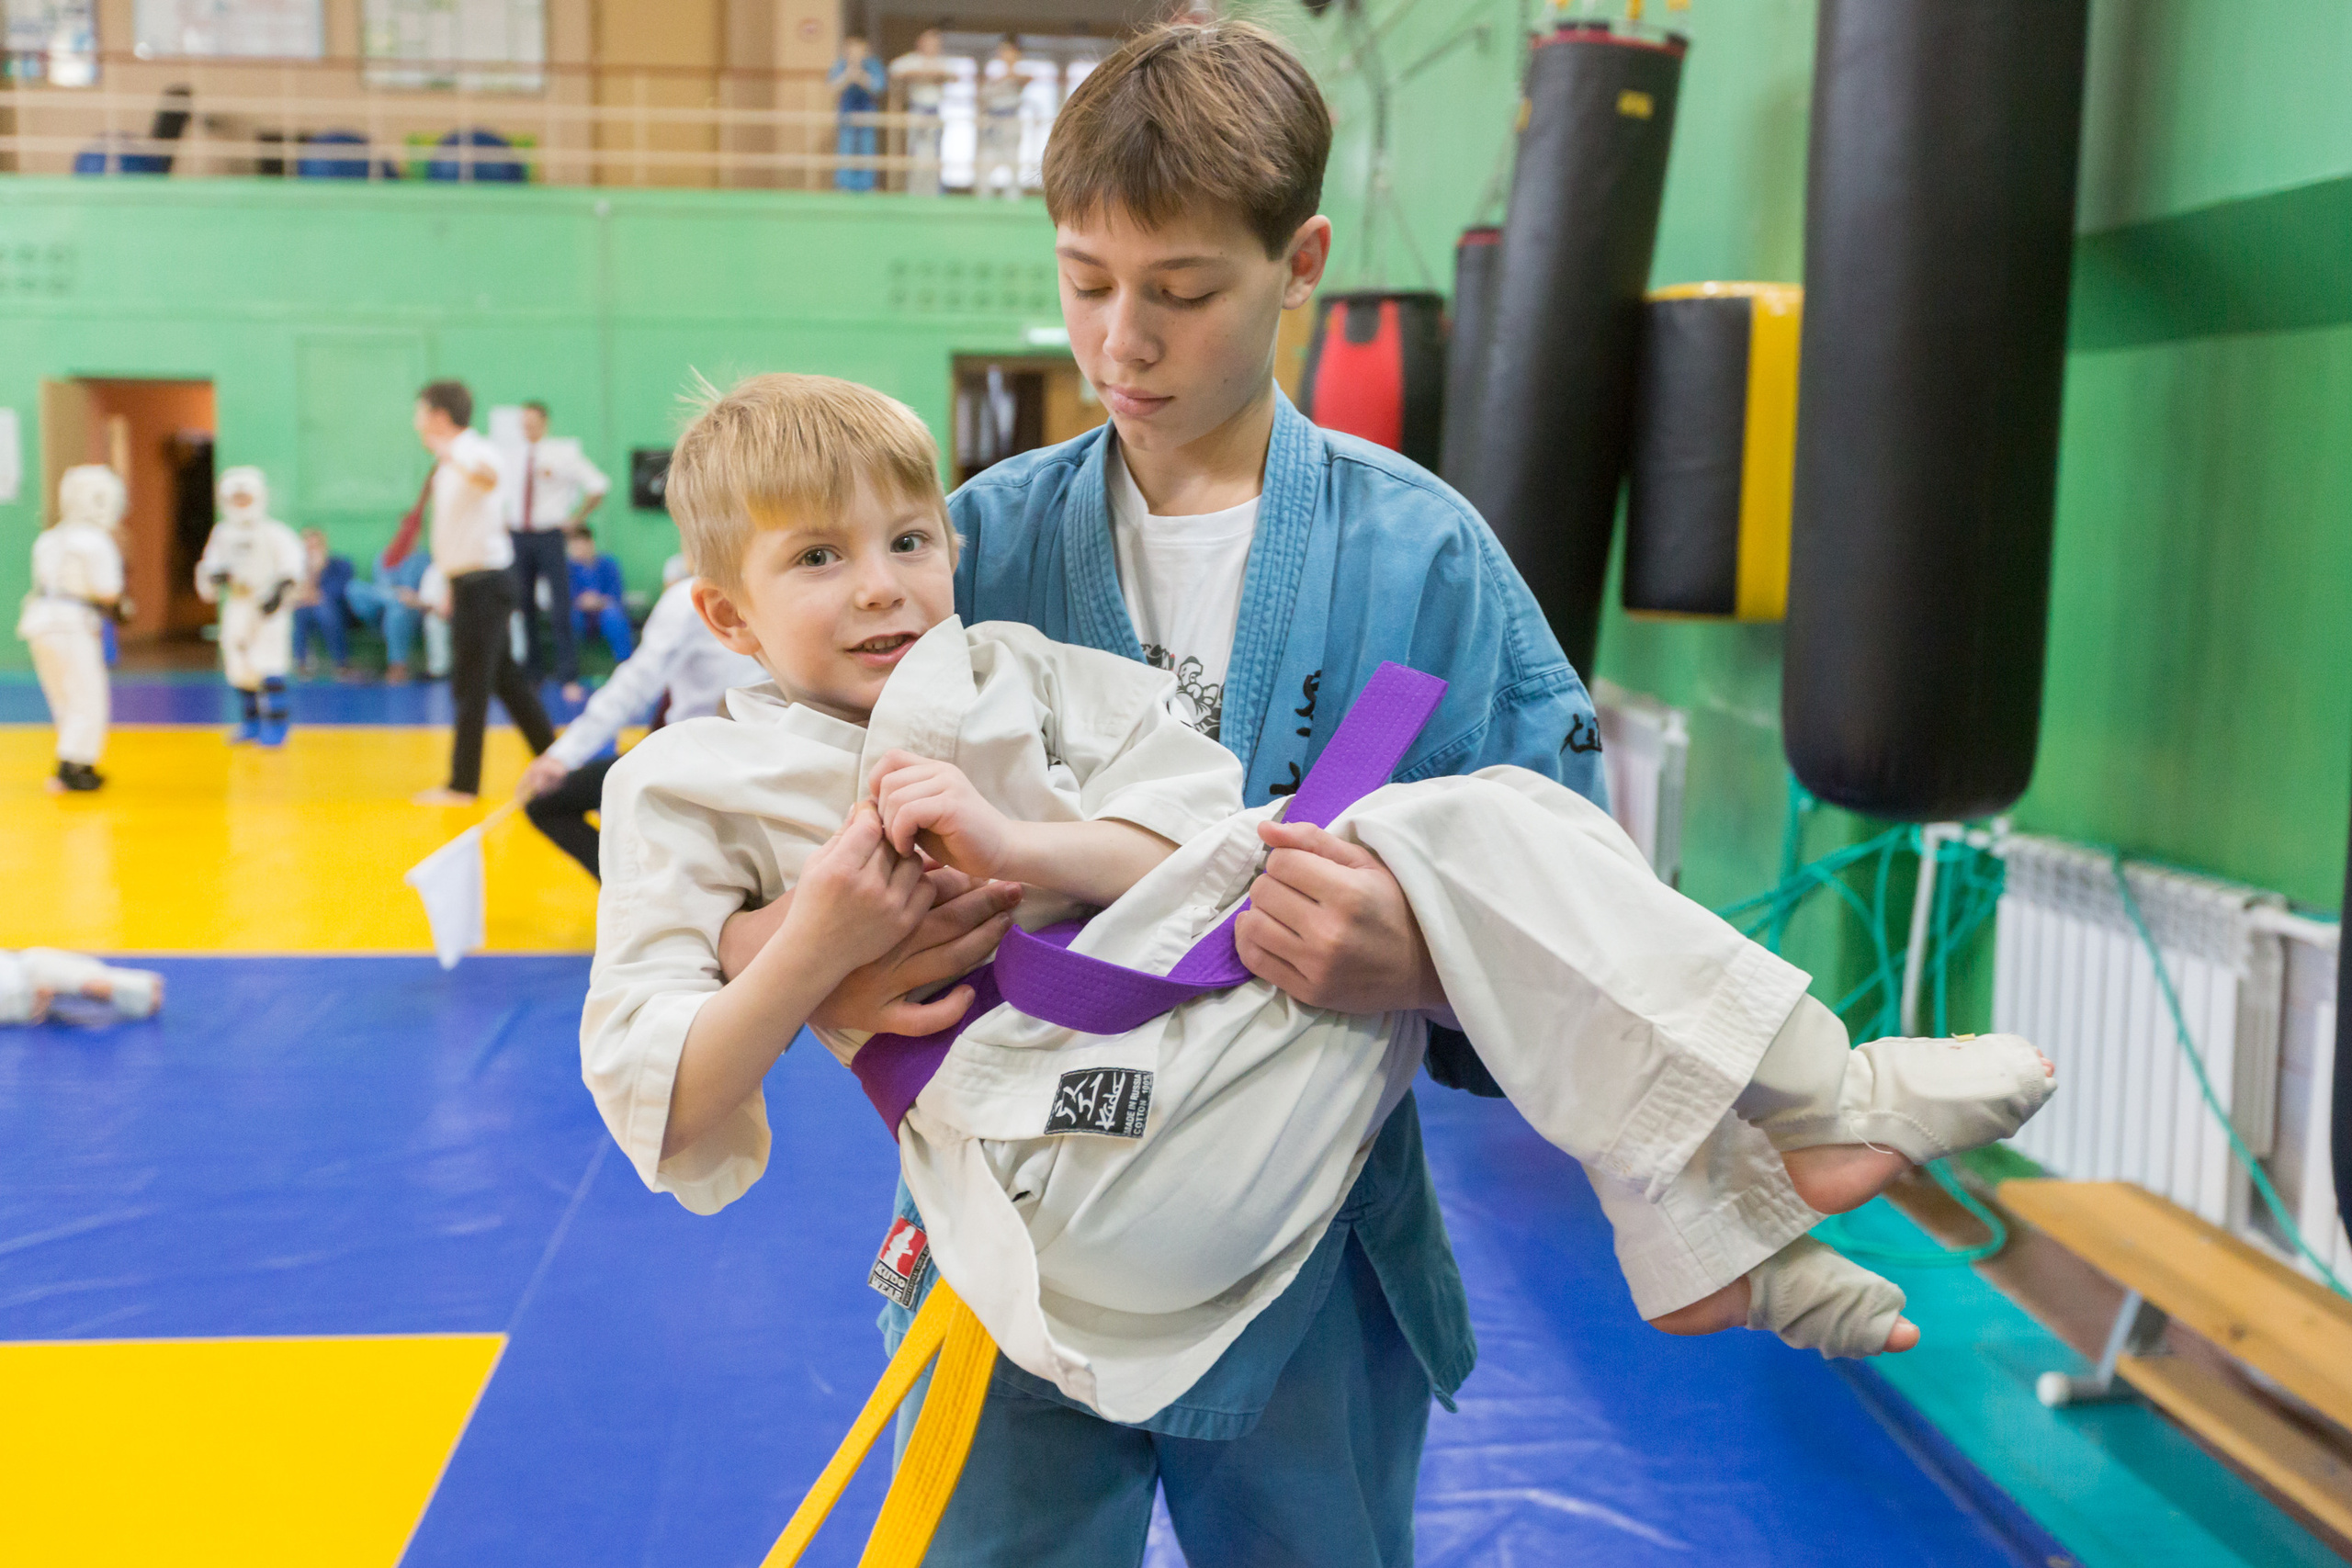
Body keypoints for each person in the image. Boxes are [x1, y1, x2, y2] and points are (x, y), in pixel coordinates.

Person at [708, 26, 1925, 1561]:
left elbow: (1576, 897)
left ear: (1304, 263)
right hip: (1013, 1232)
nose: (1121, 343)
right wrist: (824, 953)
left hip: (1311, 1255)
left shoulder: (1424, 563)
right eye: (1087, 281)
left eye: (1186, 291)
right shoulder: (965, 552)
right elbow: (742, 859)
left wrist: (1418, 954)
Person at [580, 374, 2052, 1424]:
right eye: (820, 559)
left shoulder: (1016, 673)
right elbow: (672, 1102)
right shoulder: (688, 786)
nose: (883, 587)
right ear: (722, 612)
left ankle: (1727, 1214)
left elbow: (1185, 836)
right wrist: (817, 944)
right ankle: (1793, 1124)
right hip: (1057, 1185)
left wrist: (1024, 849)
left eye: (910, 541)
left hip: (1211, 1086)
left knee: (1486, 833)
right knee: (1461, 834)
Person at [514, 568, 763, 879]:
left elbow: (637, 682)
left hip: (698, 760)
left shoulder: (693, 597)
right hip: (768, 757)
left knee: (548, 805)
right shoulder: (775, 589)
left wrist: (564, 755)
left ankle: (637, 895)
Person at [409, 379, 555, 807]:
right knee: (506, 680)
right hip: (471, 582)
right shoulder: (452, 459)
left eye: (420, 412)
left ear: (438, 415)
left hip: (486, 583)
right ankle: (556, 760)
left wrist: (451, 455)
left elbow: (490, 479)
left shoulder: (472, 450)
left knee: (471, 684)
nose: (416, 421)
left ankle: (462, 785)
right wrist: (451, 583)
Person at [17, 464, 128, 792]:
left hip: (39, 622)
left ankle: (74, 761)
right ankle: (72, 766)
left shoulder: (49, 538)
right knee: (88, 694)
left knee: (62, 695)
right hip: (73, 624)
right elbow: (107, 590)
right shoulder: (96, 541)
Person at [196, 466, 304, 749]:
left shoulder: (273, 532)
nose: (241, 504)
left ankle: (277, 725)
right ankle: (251, 721)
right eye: (236, 499)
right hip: (238, 605)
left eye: (246, 498)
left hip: (267, 605)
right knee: (240, 666)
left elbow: (292, 566)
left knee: (269, 663)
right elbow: (209, 568)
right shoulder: (222, 534)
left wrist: (279, 594)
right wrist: (215, 577)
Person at [509, 400, 610, 702]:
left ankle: (568, 676)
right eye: (522, 422)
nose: (527, 427)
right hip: (518, 535)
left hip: (550, 535)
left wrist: (576, 519)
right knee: (523, 606)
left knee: (560, 607)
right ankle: (532, 676)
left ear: (544, 422)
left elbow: (598, 485)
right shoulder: (512, 456)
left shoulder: (563, 454)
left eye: (532, 422)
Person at [344, 544, 448, 683]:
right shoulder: (384, 556)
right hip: (380, 609)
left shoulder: (424, 560)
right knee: (354, 587)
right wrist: (395, 594)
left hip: (410, 612)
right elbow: (379, 585)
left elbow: (427, 597)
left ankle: (397, 668)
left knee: (397, 610)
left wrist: (411, 598)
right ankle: (395, 597)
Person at [1, 947, 164, 1024]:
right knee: (91, 986)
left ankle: (140, 989)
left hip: (27, 974)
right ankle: (140, 990)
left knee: (91, 985)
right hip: (23, 999)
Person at [888, 25, 956, 197]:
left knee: (934, 154)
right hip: (917, 110)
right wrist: (920, 73)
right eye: (929, 42)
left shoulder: (943, 62)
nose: (932, 46)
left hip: (934, 111)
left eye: (936, 43)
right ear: (920, 43)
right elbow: (895, 70)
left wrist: (935, 74)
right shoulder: (911, 60)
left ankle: (933, 193)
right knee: (916, 153)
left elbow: (954, 75)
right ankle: (914, 193)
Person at [290, 527, 356, 680]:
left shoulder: (341, 565)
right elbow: (297, 595)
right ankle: (301, 664)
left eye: (315, 546)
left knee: (324, 609)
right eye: (308, 547)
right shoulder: (297, 570)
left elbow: (339, 591)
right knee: (300, 611)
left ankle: (342, 664)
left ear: (324, 546)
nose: (311, 551)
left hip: (339, 612)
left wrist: (318, 575)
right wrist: (310, 574)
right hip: (308, 612)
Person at [564, 525, 633, 663]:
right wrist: (583, 602)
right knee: (568, 619)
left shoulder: (608, 565)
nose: (579, 550)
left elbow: (615, 593)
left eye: (582, 544)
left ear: (591, 543)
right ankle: (572, 669)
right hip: (579, 612)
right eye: (574, 546)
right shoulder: (567, 569)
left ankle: (625, 662)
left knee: (614, 615)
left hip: (604, 610)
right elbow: (567, 596)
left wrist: (598, 601)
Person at [829, 36, 888, 194]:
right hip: (847, 112)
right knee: (845, 148)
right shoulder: (840, 65)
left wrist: (861, 76)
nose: (855, 54)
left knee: (867, 148)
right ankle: (844, 185)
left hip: (867, 112)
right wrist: (849, 75)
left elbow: (878, 87)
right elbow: (833, 87)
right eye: (851, 50)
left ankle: (866, 185)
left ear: (866, 51)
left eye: (859, 50)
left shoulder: (873, 65)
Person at [974, 36, 1025, 199]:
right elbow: (981, 97)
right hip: (992, 121)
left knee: (1012, 160)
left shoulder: (1020, 73)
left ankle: (1013, 198)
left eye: (1009, 51)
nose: (1005, 54)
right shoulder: (992, 72)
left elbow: (1025, 79)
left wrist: (1006, 76)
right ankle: (983, 197)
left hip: (1010, 120)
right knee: (987, 161)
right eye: (1003, 51)